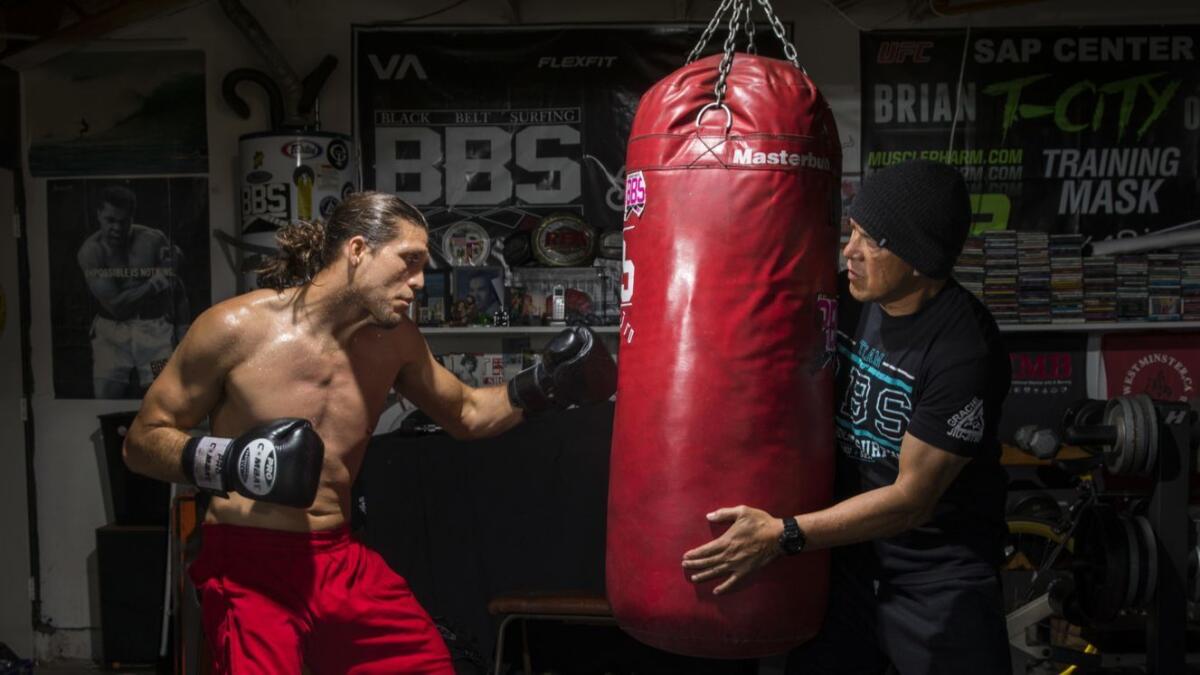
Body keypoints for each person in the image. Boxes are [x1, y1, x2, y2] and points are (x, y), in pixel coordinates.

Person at [123, 191, 616, 674]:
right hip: (250, 561)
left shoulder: (395, 342)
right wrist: (230, 461)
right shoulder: (234, 328)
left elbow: (466, 413)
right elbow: (142, 442)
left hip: (337, 558)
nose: (420, 281)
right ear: (358, 251)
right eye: (408, 261)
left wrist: (544, 385)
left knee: (425, 664)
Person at [681, 160, 1012, 674]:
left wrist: (781, 534)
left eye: (871, 240)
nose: (849, 251)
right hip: (845, 564)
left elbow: (910, 502)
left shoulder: (964, 350)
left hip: (936, 576)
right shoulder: (845, 299)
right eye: (851, 231)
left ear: (919, 258)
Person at [77, 184, 189, 398]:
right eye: (110, 220)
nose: (117, 228)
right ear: (99, 215)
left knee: (163, 397)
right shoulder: (91, 252)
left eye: (124, 221)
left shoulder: (153, 240)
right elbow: (117, 307)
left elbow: (177, 288)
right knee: (106, 397)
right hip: (112, 336)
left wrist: (183, 332)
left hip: (154, 336)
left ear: (132, 217)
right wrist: (156, 282)